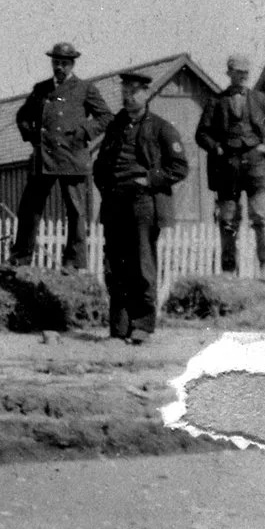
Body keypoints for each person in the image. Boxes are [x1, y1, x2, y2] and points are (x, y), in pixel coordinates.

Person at [91, 69, 192, 342]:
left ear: (147, 94)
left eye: (135, 92)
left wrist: (148, 179)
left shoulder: (161, 128)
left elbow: (180, 167)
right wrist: (108, 190)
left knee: (142, 265)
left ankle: (142, 326)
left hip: (143, 204)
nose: (129, 97)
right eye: (125, 92)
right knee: (114, 266)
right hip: (114, 204)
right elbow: (99, 166)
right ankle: (119, 327)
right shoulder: (114, 126)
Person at [11, 41, 112, 268]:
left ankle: (74, 261)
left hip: (72, 156)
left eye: (64, 63)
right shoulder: (41, 89)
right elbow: (22, 116)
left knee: (75, 211)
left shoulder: (85, 88)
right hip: (44, 157)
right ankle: (21, 257)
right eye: (56, 62)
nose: (60, 67)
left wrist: (83, 132)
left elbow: (106, 117)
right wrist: (32, 136)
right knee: (29, 208)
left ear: (72, 64)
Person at [196, 52, 265, 277]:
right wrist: (216, 148)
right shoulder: (216, 101)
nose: (243, 76)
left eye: (246, 72)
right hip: (227, 166)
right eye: (238, 72)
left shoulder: (260, 100)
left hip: (257, 165)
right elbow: (201, 133)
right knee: (227, 219)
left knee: (262, 216)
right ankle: (228, 269)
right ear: (229, 73)